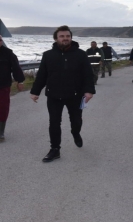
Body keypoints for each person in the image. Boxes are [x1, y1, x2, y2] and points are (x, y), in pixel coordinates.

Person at [30, 25, 95, 163]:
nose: (65, 38)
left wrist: (89, 91)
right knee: (54, 122)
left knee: (76, 121)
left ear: (71, 37)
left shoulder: (80, 54)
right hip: (54, 95)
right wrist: (35, 92)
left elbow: (88, 74)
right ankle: (55, 149)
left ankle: (75, 133)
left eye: (67, 36)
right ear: (56, 38)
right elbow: (42, 75)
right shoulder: (48, 55)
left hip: (75, 95)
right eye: (62, 36)